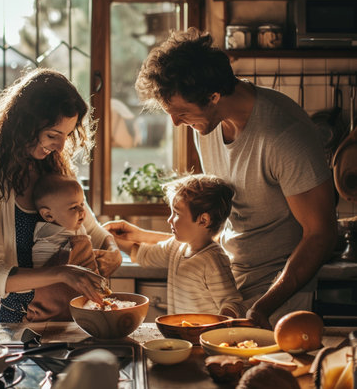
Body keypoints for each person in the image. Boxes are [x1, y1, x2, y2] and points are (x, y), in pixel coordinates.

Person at [104, 27, 337, 329]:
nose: (175, 122)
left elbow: (321, 234)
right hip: (230, 286)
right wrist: (142, 237)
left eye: (181, 112)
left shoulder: (284, 134)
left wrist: (263, 306)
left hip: (278, 299)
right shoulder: (207, 126)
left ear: (213, 96)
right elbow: (215, 224)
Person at [0, 68, 122, 323]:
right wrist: (63, 273)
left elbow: (93, 231)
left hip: (74, 318)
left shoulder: (56, 169)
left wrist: (113, 250)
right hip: (21, 321)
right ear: (25, 124)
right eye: (53, 135)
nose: (61, 146)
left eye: (67, 135)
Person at [116, 174, 245, 317]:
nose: (169, 220)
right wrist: (109, 238)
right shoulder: (176, 247)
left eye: (176, 213)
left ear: (203, 220)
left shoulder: (214, 260)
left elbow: (233, 303)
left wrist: (216, 328)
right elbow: (143, 254)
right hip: (182, 335)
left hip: (204, 337)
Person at [26, 173, 102, 321]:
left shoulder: (73, 227)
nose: (82, 211)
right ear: (48, 215)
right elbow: (41, 280)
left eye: (81, 204)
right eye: (74, 207)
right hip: (52, 314)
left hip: (77, 313)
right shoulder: (47, 239)